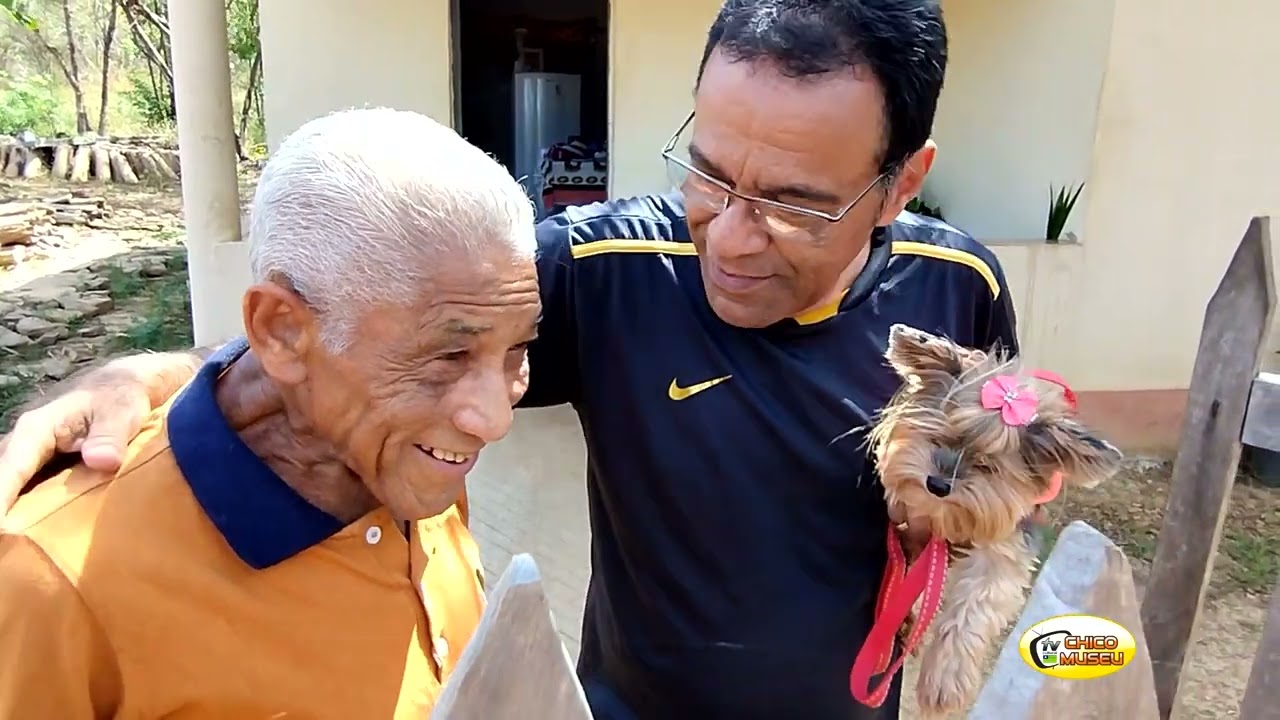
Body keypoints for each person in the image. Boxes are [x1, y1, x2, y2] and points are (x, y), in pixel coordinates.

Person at [0, 1, 1025, 717]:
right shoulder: (613, 271)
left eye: (796, 202)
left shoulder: (958, 286)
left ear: (899, 185)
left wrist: (1017, 469)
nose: (730, 236)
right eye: (708, 175)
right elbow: (354, 331)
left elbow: (1011, 432)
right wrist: (142, 375)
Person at [0, 107, 541, 717]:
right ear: (281, 330)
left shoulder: (410, 470)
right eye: (447, 355)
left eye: (518, 348)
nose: (493, 419)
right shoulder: (51, 584)